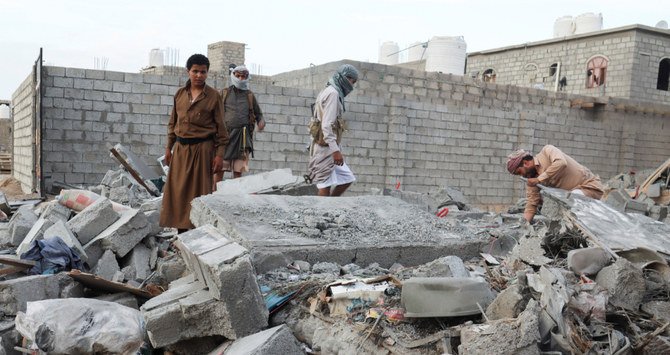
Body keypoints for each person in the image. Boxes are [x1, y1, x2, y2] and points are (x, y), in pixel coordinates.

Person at [159, 54, 229, 231]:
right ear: (188, 72)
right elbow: (172, 123)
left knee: (199, 192)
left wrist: (219, 156)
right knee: (177, 191)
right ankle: (180, 232)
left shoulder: (213, 96)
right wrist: (169, 147)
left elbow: (222, 129)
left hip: (203, 150)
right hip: (181, 150)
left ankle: (198, 232)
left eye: (203, 72)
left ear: (207, 73)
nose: (199, 75)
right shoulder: (180, 94)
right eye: (195, 71)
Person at [507, 144, 604, 222]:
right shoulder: (532, 179)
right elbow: (531, 203)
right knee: (565, 207)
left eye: (519, 172)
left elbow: (561, 163)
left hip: (590, 187)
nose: (522, 176)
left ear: (526, 163)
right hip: (570, 200)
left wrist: (540, 179)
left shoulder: (547, 151)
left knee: (573, 198)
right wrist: (525, 224)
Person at [307, 64, 359, 196]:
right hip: (325, 148)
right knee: (325, 184)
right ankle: (322, 214)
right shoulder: (333, 94)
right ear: (345, 78)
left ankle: (331, 207)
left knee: (347, 178)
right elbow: (326, 125)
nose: (352, 86)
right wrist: (335, 151)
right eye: (351, 81)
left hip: (327, 146)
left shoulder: (330, 90)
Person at [217, 65, 265, 183]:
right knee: (219, 168)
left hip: (243, 137)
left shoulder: (249, 95)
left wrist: (261, 122)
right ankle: (214, 193)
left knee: (238, 170)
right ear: (233, 76)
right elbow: (214, 113)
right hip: (225, 137)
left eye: (243, 76)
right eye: (238, 76)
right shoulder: (224, 93)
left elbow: (259, 114)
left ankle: (235, 196)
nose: (240, 79)